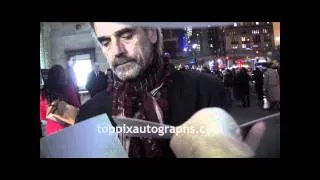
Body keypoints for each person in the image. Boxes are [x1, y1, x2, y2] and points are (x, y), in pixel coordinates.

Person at [76, 22, 267, 158]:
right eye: (106, 42)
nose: (116, 50)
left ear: (151, 33)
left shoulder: (205, 91)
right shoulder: (91, 114)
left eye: (126, 35)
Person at [40, 65, 81, 136]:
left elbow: (42, 116)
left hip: (49, 131)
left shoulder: (43, 93)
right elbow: (77, 109)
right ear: (63, 76)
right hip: (68, 129)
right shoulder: (68, 90)